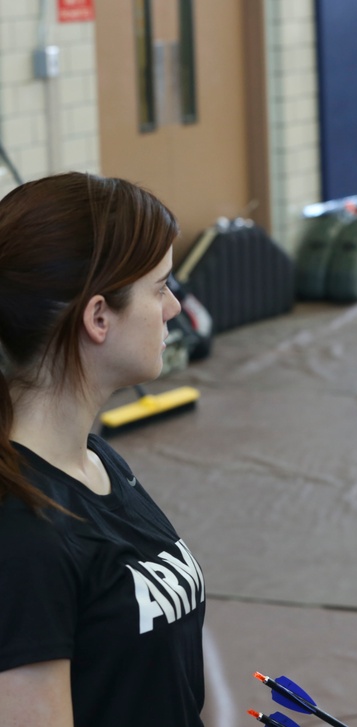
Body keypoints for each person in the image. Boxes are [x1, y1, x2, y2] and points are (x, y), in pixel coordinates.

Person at [0, 172, 206, 726]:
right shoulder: (22, 532)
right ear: (97, 317)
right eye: (160, 289)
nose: (171, 310)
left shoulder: (98, 462)